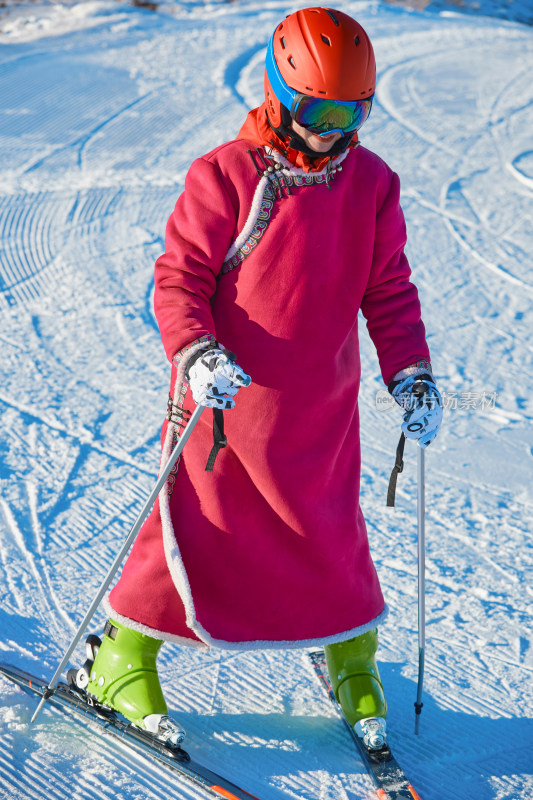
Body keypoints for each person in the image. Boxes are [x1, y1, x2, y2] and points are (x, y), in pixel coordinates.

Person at [76, 7, 442, 751]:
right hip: (222, 404)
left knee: (328, 534)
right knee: (193, 530)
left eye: (351, 111)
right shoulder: (225, 175)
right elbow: (178, 279)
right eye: (315, 110)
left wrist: (410, 374)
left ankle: (349, 653)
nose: (331, 128)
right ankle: (120, 656)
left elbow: (389, 291)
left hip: (320, 412)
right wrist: (196, 353)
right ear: (279, 93)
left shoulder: (371, 184)